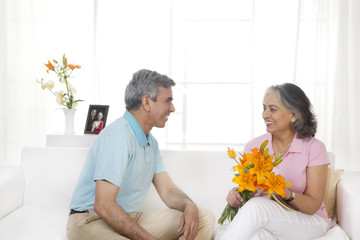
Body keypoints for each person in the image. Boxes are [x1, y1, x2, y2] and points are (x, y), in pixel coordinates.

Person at [67, 69, 215, 240]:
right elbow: (104, 205)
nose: (172, 109)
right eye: (168, 101)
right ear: (146, 102)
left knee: (202, 218)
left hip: (130, 217)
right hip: (91, 221)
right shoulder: (118, 136)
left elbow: (168, 191)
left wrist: (189, 205)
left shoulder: (151, 142)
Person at [221, 83, 330, 240]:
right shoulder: (254, 146)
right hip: (271, 219)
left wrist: (282, 191)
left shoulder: (314, 148)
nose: (265, 114)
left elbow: (313, 206)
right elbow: (250, 193)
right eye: (264, 108)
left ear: (293, 114)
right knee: (255, 234)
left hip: (311, 221)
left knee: (256, 207)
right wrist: (239, 196)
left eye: (272, 109)